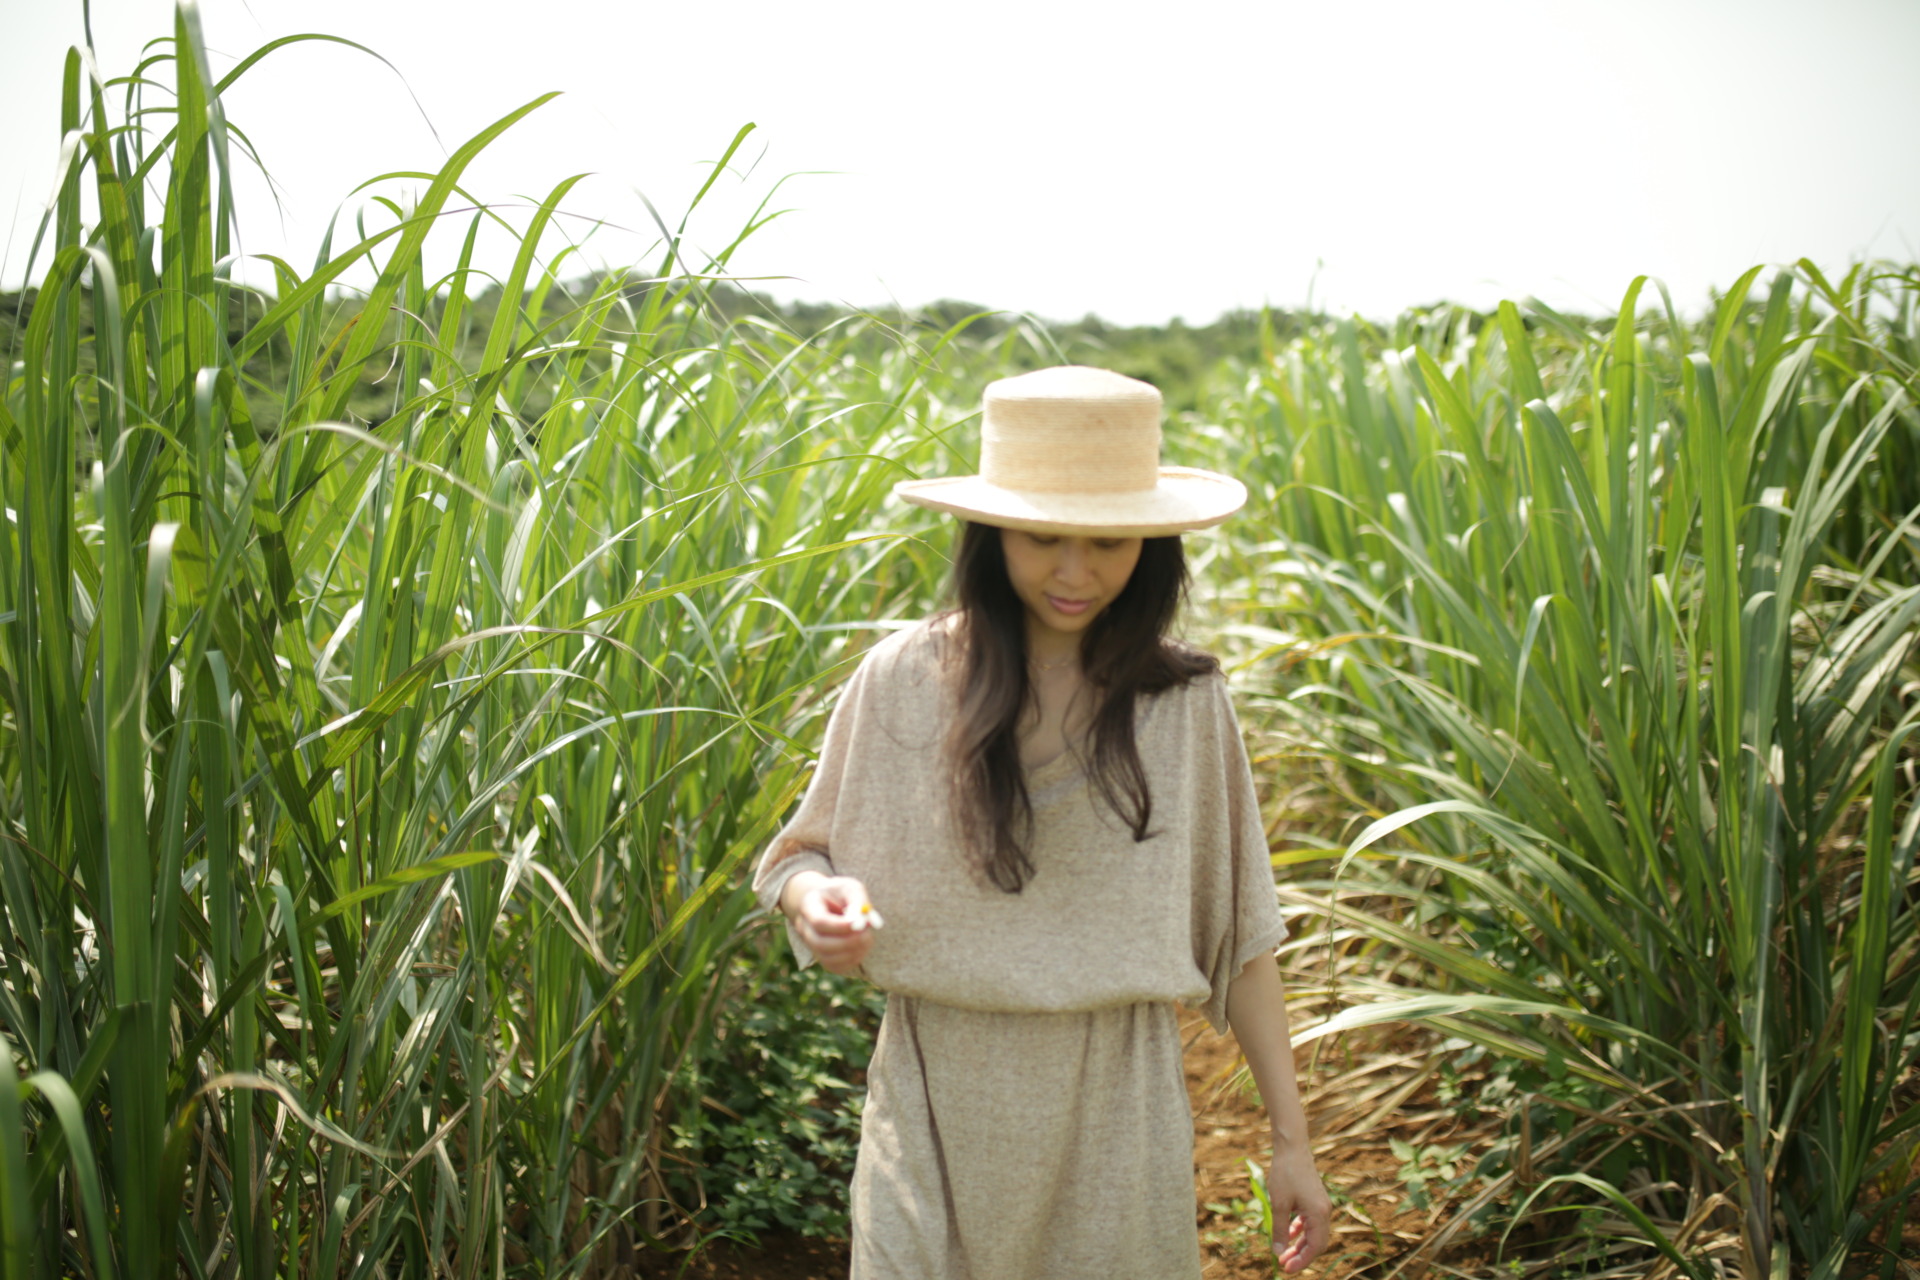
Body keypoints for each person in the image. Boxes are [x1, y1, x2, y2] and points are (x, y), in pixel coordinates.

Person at [752, 366, 1332, 1279]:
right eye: (1043, 537)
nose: (1074, 571)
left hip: (1116, 1120)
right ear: (991, 534)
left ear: (1151, 541)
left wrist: (1292, 1145)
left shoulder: (1184, 705)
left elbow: (1242, 937)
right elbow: (800, 857)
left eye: (1108, 541)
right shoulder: (902, 681)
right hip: (929, 1105)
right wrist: (815, 901)